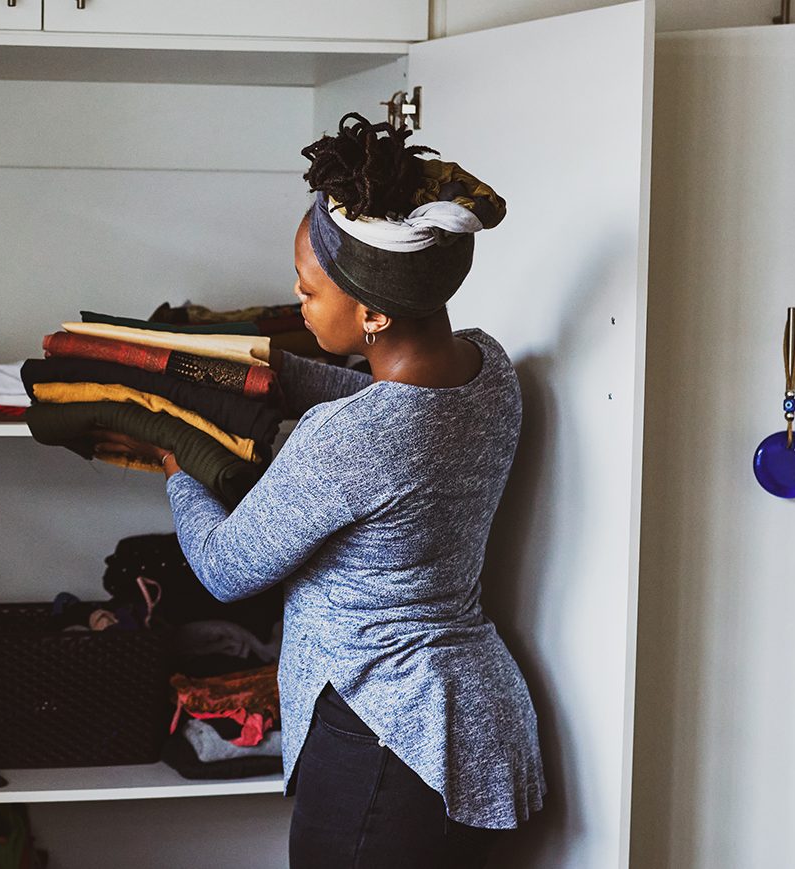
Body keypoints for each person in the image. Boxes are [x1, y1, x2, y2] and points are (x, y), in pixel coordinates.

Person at [95, 114, 544, 868]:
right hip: (475, 722)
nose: (297, 300)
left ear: (373, 312)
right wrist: (258, 368)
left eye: (308, 289)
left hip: (384, 738)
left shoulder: (348, 438)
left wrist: (176, 461)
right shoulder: (487, 368)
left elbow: (225, 567)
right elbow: (376, 401)